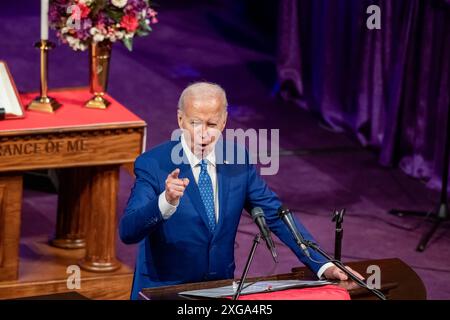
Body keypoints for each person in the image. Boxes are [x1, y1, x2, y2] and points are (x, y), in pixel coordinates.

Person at [120, 82, 362, 299]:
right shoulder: (153, 164)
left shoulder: (238, 161)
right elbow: (128, 231)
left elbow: (275, 214)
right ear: (180, 119)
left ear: (224, 121)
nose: (203, 133)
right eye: (194, 123)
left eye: (212, 124)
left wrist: (322, 264)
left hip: (221, 289)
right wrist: (165, 201)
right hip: (165, 290)